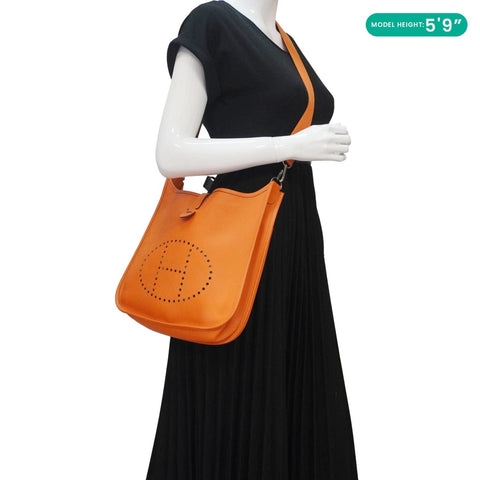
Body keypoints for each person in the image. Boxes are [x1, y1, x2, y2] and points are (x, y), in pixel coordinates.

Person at [146, 1, 358, 479]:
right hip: (238, 240)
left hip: (294, 238)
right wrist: (289, 146)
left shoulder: (286, 43)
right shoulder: (212, 22)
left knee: (293, 387)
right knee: (236, 381)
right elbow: (170, 153)